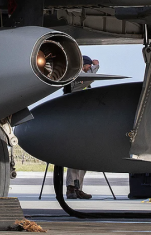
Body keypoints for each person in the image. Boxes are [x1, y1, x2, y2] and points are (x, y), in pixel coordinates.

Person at [64, 56, 99, 199]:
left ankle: (78, 187)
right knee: (74, 156)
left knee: (83, 156)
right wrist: (95, 67)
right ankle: (71, 187)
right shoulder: (74, 80)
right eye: (87, 66)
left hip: (81, 122)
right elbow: (88, 78)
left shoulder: (82, 82)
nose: (88, 68)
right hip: (73, 123)